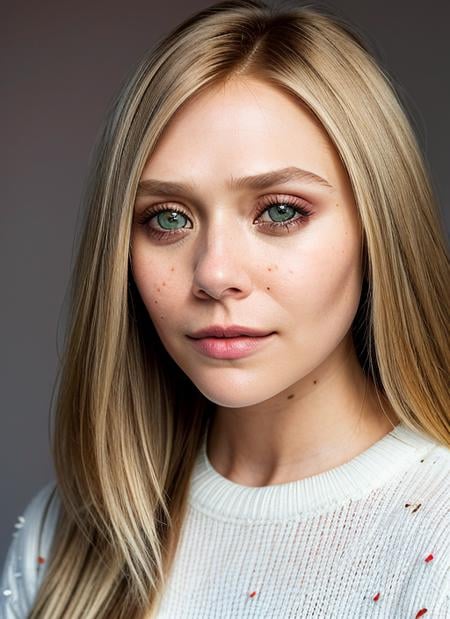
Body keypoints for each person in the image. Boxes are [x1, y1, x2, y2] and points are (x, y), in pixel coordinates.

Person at [1, 1, 449, 617]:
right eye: (168, 219)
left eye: (281, 211)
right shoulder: (64, 538)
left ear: (379, 225)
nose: (214, 274)